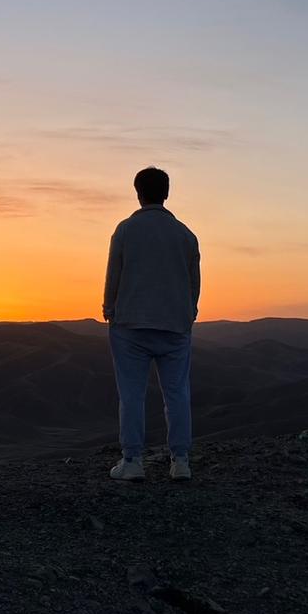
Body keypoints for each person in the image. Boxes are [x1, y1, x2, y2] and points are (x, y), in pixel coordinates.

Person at [102, 167, 200, 482]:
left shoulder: (126, 230)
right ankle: (181, 461)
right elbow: (193, 282)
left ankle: (132, 461)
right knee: (177, 394)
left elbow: (114, 273)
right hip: (175, 324)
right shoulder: (185, 234)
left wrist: (109, 308)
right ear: (166, 193)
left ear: (138, 192)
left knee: (131, 394)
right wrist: (189, 313)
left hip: (131, 324)